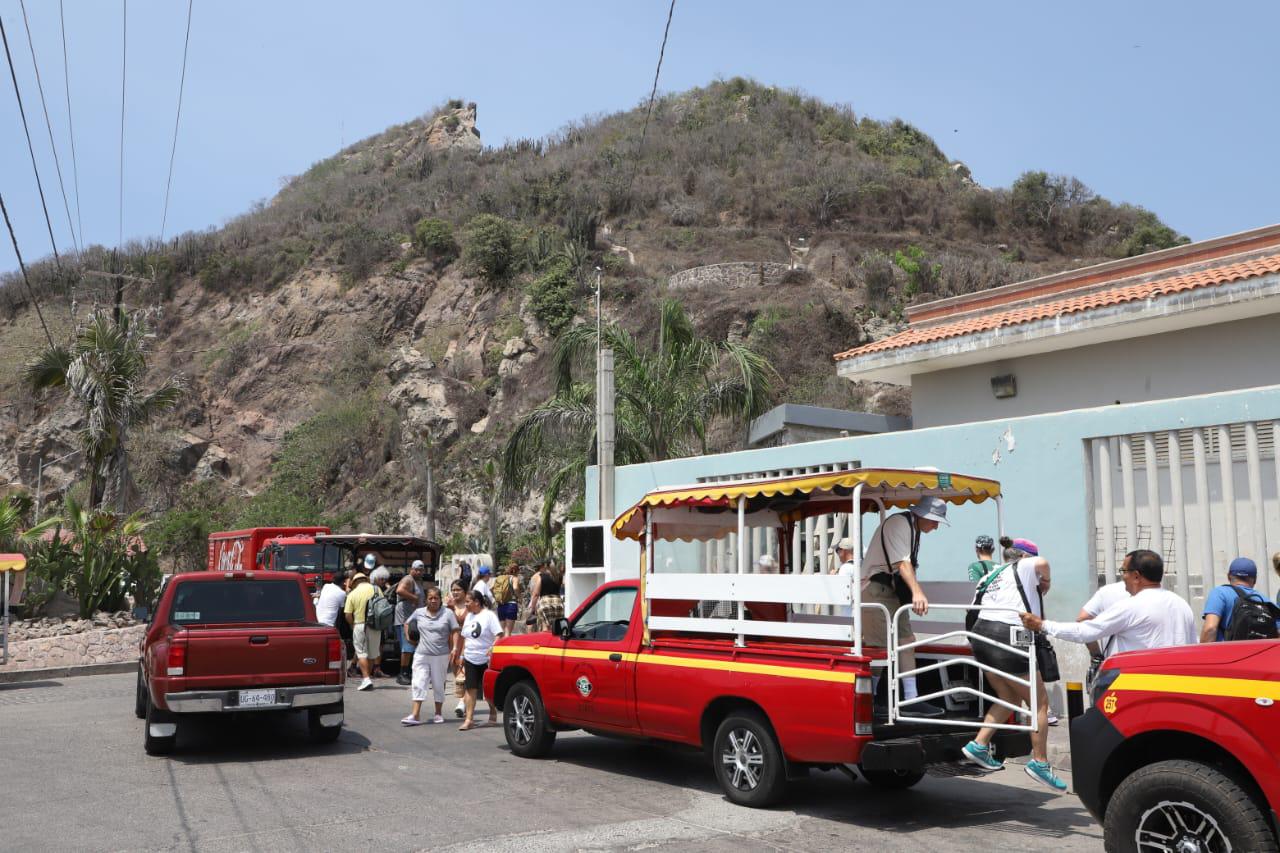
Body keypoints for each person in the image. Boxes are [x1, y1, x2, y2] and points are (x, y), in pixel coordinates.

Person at [962, 537, 1066, 792]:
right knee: (1039, 703)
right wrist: (1047, 581)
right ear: (1024, 556)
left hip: (980, 635)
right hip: (1007, 635)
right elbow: (1041, 562)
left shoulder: (993, 573)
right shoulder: (1026, 565)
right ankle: (1040, 762)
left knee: (1008, 695)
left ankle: (978, 745)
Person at [858, 496, 950, 718]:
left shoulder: (913, 528)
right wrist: (917, 592)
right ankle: (869, 702)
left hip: (890, 590)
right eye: (934, 521)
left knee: (907, 641)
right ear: (923, 515)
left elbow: (905, 564)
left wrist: (912, 592)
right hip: (874, 588)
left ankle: (911, 699)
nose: (936, 526)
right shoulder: (900, 523)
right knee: (879, 647)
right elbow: (903, 563)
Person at [1021, 549, 1195, 657]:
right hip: (1179, 686)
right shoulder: (1181, 604)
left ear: (1136, 576)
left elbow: (1085, 631)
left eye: (1123, 571)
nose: (1122, 577)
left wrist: (1042, 625)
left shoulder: (1132, 606)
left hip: (1143, 687)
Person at [401, 586, 461, 726]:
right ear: (426, 600)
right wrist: (409, 638)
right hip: (421, 654)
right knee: (418, 682)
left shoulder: (448, 613)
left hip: (440, 655)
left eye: (436, 598)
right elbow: (407, 623)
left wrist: (455, 648)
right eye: (430, 598)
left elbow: (455, 630)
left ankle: (438, 713)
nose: (433, 600)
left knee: (438, 684)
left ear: (440, 600)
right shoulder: (419, 612)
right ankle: (415, 715)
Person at [1201, 557, 1280, 642]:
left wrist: (1202, 654)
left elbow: (1210, 628)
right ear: (1255, 579)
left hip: (1227, 654)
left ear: (1228, 576)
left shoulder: (1220, 593)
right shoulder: (1268, 603)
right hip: (1259, 654)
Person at [458, 589, 504, 731]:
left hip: (486, 658)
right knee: (470, 688)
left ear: (476, 602)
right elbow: (466, 637)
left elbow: (499, 634)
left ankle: (493, 713)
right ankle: (469, 719)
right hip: (470, 657)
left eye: (468, 601)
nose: (465, 604)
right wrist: (461, 655)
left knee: (487, 689)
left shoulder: (489, 615)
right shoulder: (469, 616)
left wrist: (492, 648)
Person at [343, 572, 379, 691]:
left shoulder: (352, 594)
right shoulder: (376, 589)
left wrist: (353, 625)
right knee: (372, 653)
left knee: (361, 653)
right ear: (365, 580)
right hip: (375, 626)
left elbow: (348, 615)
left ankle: (366, 678)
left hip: (359, 624)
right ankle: (367, 678)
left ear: (355, 583)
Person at [393, 560, 427, 685]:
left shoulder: (418, 581)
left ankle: (409, 671)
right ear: (411, 569)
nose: (419, 572)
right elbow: (399, 590)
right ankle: (403, 673)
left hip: (413, 619)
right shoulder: (408, 579)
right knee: (407, 647)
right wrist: (414, 598)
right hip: (404, 619)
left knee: (412, 645)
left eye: (421, 570)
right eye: (416, 569)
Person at [447, 580, 470, 718]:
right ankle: (464, 698)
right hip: (452, 641)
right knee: (456, 670)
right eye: (453, 589)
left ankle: (462, 702)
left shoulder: (470, 604)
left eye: (458, 590)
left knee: (464, 670)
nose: (455, 592)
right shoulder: (448, 606)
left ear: (465, 591)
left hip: (467, 641)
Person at [528, 560, 565, 632]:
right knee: (556, 629)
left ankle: (546, 642)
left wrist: (532, 609)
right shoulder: (559, 576)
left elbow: (536, 594)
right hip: (558, 602)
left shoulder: (541, 577)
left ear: (546, 566)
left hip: (545, 602)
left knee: (545, 628)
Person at [492, 562, 522, 636]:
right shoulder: (514, 578)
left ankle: (499, 646)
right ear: (517, 571)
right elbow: (515, 588)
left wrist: (497, 597)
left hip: (501, 605)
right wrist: (520, 597)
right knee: (508, 632)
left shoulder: (501, 578)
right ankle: (506, 647)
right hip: (511, 605)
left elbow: (492, 589)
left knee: (501, 631)